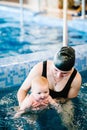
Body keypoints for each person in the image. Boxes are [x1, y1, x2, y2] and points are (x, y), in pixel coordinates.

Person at [17, 46, 82, 110]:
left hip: (59, 103)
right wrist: (23, 106)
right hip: (35, 101)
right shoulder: (40, 68)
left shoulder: (76, 79)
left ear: (71, 70)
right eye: (55, 70)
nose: (58, 75)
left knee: (68, 117)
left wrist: (53, 102)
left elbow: (69, 99)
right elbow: (23, 90)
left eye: (64, 73)